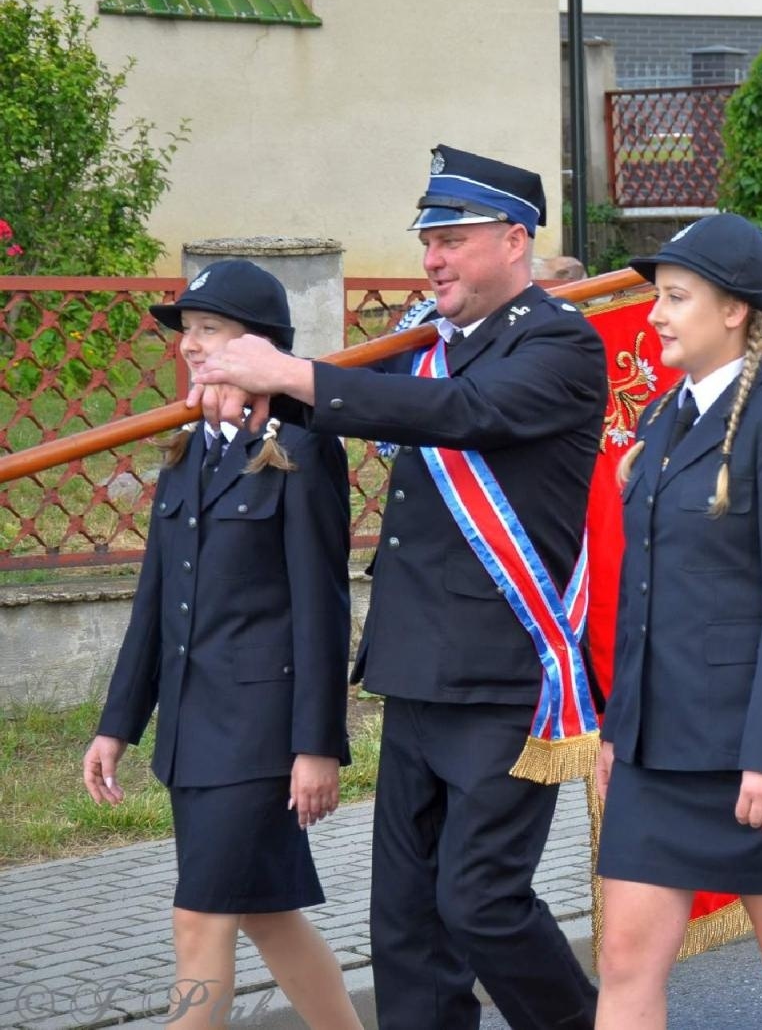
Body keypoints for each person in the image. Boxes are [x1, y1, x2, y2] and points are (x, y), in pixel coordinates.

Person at [188, 146, 607, 1028]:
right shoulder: (425, 344)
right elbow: (338, 400)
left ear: (515, 240)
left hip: (504, 683)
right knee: (407, 927)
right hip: (414, 673)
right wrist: (246, 386)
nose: (433, 259)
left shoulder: (559, 343)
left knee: (480, 903)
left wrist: (288, 378)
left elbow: (461, 414)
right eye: (427, 240)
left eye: (452, 238)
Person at [592, 213, 762, 1030]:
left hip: (758, 747)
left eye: (676, 298)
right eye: (659, 298)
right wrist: (619, 728)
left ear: (735, 310)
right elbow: (643, 599)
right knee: (623, 959)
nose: (655, 315)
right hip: (659, 748)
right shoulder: (662, 418)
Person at [83, 260, 359, 1030]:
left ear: (261, 346)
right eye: (186, 333)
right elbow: (154, 607)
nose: (191, 347)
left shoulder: (298, 452)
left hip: (259, 738)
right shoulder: (184, 452)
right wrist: (118, 723)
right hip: (193, 737)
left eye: (210, 331)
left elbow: (321, 608)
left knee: (198, 920)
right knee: (266, 915)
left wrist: (317, 745)